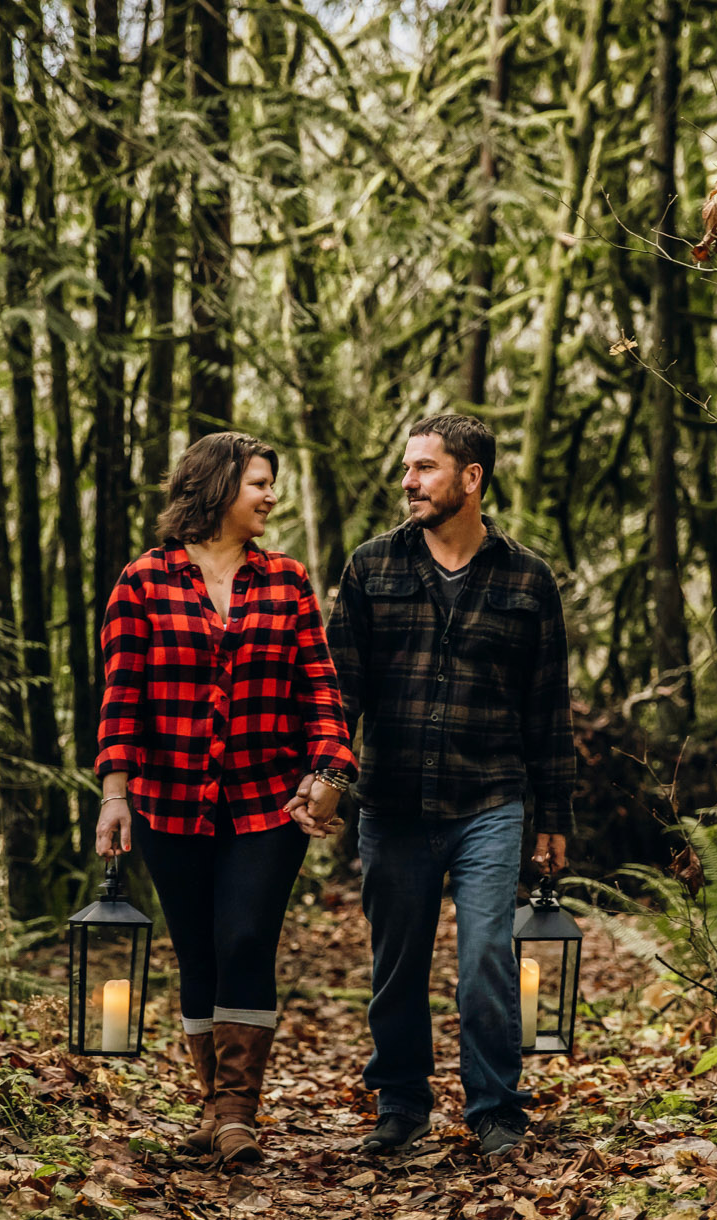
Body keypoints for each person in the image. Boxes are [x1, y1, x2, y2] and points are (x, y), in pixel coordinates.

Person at [95, 431, 353, 1166]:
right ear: (216, 488)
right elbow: (122, 698)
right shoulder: (141, 582)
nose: (271, 496)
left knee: (244, 936)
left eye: (272, 484)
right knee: (199, 951)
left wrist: (329, 775)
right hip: (168, 801)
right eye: (259, 483)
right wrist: (116, 796)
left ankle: (236, 1109)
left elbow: (322, 694)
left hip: (267, 801)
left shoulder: (289, 582)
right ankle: (217, 1110)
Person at [322, 413, 574, 1161]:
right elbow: (340, 691)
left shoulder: (529, 579)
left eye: (424, 468)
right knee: (396, 966)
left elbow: (548, 709)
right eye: (407, 468)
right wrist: (332, 774)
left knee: (487, 960)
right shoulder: (372, 568)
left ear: (471, 479)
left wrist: (552, 816)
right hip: (393, 803)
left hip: (489, 801)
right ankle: (402, 1105)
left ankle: (496, 1108)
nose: (407, 482)